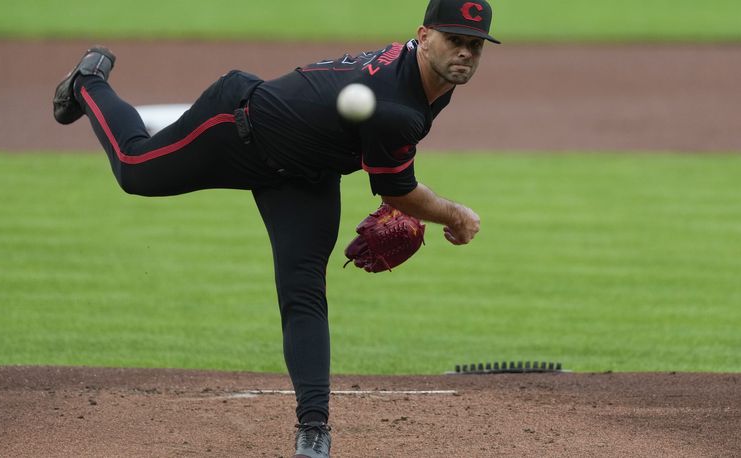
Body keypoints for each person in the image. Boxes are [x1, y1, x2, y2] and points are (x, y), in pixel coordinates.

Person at [52, 0, 497, 456]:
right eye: (454, 40)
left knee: (303, 292)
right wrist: (456, 215)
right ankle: (88, 81)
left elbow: (387, 172)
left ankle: (314, 428)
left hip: (307, 174)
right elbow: (397, 191)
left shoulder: (433, 78)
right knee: (134, 168)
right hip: (237, 128)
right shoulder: (395, 105)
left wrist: (408, 197)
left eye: (474, 45)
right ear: (423, 37)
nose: (464, 53)